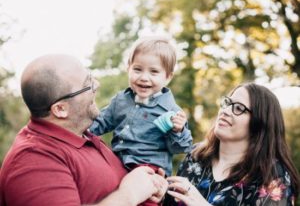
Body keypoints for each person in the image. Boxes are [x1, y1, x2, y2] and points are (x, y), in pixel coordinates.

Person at [0, 54, 168, 206]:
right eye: (87, 84)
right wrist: (129, 195)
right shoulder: (33, 160)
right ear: (60, 109)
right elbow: (128, 192)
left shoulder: (80, 134)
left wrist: (150, 185)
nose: (97, 84)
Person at [164, 82, 300, 205]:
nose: (226, 111)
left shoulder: (273, 176)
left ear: (260, 123)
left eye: (239, 108)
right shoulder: (196, 156)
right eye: (227, 103)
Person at [90, 36, 193, 178]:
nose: (144, 77)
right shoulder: (121, 100)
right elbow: (100, 123)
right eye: (138, 69)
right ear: (128, 69)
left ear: (168, 77)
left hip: (149, 170)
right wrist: (77, 129)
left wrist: (178, 130)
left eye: (154, 72)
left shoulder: (172, 112)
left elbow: (179, 148)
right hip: (117, 163)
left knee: (141, 194)